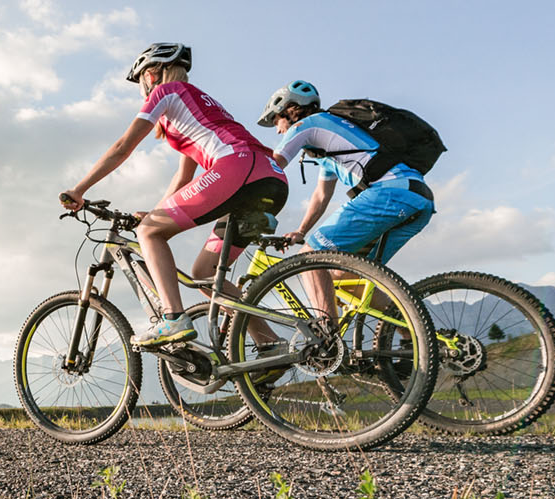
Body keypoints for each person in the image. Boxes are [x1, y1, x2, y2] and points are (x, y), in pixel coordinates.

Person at [60, 43, 289, 347]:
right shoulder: (194, 105)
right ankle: (270, 343)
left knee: (148, 233)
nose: (141, 88)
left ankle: (173, 318)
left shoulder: (166, 93)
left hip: (238, 167)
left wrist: (79, 189)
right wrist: (155, 213)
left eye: (141, 79)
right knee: (205, 275)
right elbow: (184, 177)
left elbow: (122, 148)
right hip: (270, 178)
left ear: (152, 74)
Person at [257, 80, 436, 324]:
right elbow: (321, 195)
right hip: (418, 197)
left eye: (276, 121)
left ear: (290, 109)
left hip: (389, 193)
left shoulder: (305, 125)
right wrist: (301, 230)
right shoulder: (331, 137)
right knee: (344, 277)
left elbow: (272, 167)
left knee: (311, 258)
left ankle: (326, 339)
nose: (278, 130)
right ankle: (411, 335)